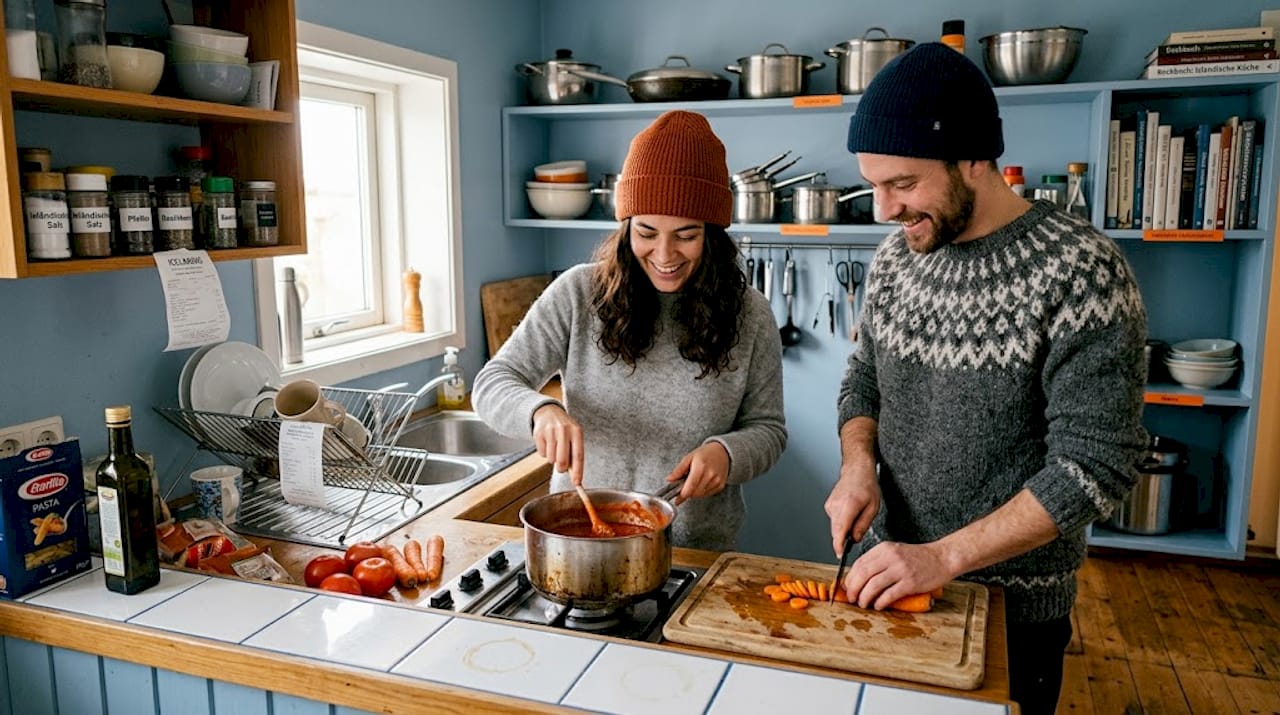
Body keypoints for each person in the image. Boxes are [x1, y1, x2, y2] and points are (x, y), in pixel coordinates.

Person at [822, 43, 1146, 715]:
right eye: (873, 183)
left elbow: (1096, 466)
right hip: (892, 580)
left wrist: (944, 556)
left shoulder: (1082, 272)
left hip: (1014, 614)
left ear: (973, 157)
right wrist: (858, 464)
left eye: (902, 184)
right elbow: (863, 383)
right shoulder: (894, 260)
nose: (883, 208)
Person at [473, 110, 786, 551]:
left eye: (686, 235)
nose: (664, 253)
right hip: (580, 542)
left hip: (695, 550)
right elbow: (492, 383)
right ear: (625, 228)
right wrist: (540, 411)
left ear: (713, 235)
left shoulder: (750, 315)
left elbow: (768, 429)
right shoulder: (578, 294)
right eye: (646, 231)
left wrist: (728, 454)